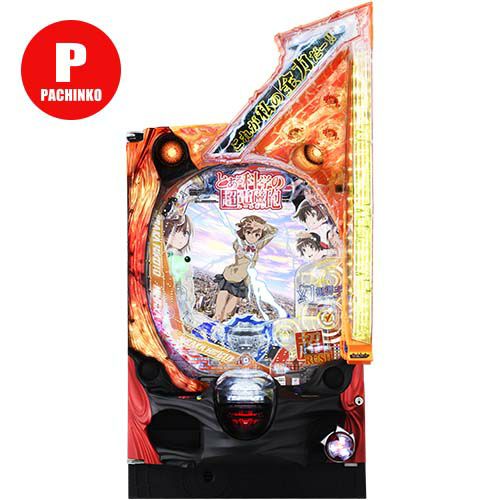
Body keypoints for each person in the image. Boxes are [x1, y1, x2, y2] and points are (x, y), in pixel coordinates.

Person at [214, 216, 277, 322]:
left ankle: (222, 320)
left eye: (257, 235)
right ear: (244, 232)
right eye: (249, 232)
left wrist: (263, 225)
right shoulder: (240, 243)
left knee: (232, 304)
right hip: (233, 274)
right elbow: (237, 247)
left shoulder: (258, 245)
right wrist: (240, 251)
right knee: (223, 296)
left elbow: (274, 231)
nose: (252, 237)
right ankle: (216, 317)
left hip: (244, 279)